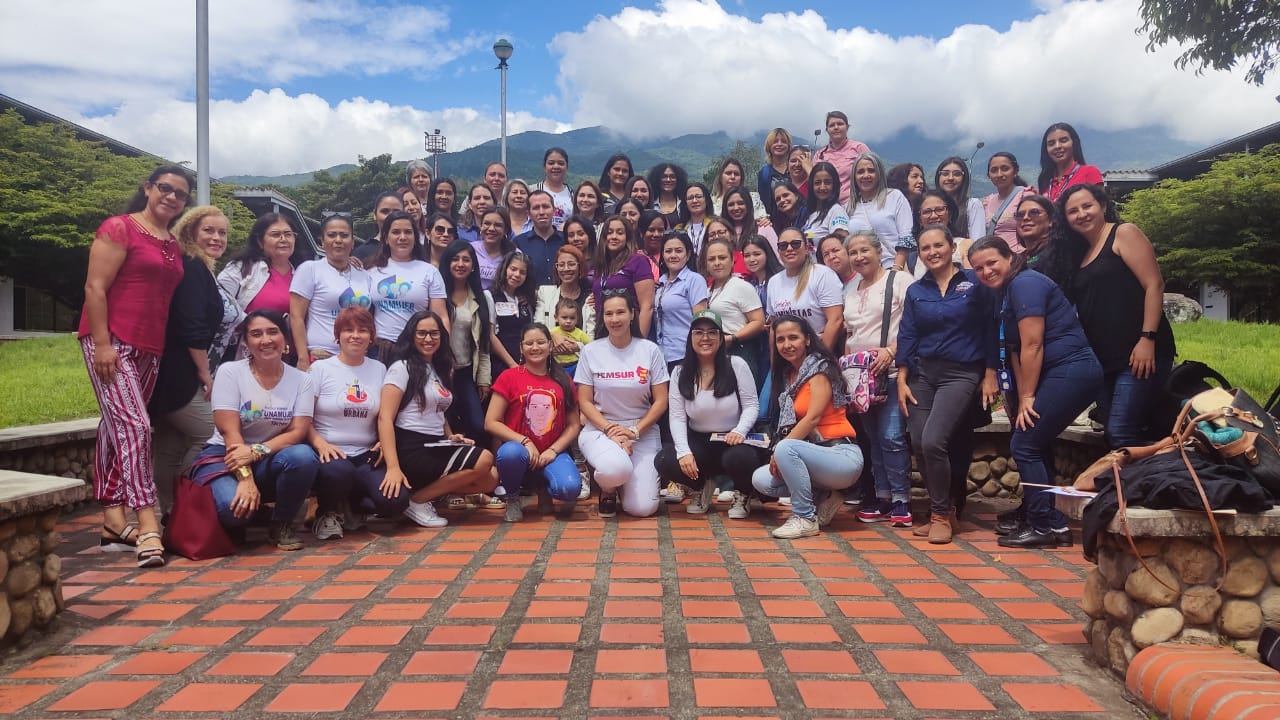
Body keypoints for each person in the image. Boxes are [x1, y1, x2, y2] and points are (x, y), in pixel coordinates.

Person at [81, 165, 191, 567]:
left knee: (116, 426)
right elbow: (95, 287)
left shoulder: (171, 243)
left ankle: (112, 519)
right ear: (148, 188)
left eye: (181, 194)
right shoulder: (119, 227)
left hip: (151, 347)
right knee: (137, 428)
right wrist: (103, 344)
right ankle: (147, 524)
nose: (172, 197)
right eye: (165, 188)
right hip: (112, 341)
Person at [968, 236, 1103, 547]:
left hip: (1073, 369)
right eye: (978, 268)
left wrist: (1029, 396)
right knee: (1034, 439)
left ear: (1009, 257)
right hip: (1053, 372)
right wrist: (1016, 401)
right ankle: (1045, 519)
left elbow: (1033, 344)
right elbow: (1014, 350)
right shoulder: (1005, 291)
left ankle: (1044, 525)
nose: (986, 271)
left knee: (1025, 442)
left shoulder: (1025, 284)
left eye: (992, 263)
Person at [1043, 183, 1175, 448]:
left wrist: (1147, 338)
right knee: (1118, 429)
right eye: (1072, 211)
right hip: (1104, 358)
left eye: (1087, 206)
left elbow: (1154, 285)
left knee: (1121, 430)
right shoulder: (1079, 253)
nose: (1081, 214)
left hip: (1139, 352)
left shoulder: (1123, 233)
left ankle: (1135, 488)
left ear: (1102, 206)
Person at [896, 225, 999, 545]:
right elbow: (908, 334)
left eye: (938, 245)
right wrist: (901, 377)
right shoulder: (916, 290)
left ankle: (940, 514)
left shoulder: (974, 283)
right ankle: (946, 510)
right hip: (922, 374)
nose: (932, 252)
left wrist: (990, 373)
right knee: (917, 442)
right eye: (925, 248)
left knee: (933, 441)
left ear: (952, 246)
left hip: (961, 373)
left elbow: (991, 328)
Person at [190, 310, 323, 551]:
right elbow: (230, 432)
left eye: (273, 332)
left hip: (267, 457)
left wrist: (256, 451)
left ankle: (281, 524)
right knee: (234, 512)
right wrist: (246, 478)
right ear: (246, 342)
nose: (266, 340)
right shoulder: (230, 372)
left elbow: (297, 431)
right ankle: (245, 512)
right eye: (256, 334)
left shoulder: (301, 380)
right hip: (225, 457)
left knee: (303, 456)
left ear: (285, 339)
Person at [377, 310, 497, 528]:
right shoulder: (401, 368)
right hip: (411, 447)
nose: (428, 339)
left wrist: (451, 437)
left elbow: (438, 412)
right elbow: (385, 418)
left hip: (434, 443)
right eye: (421, 333)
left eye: (434, 333)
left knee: (490, 479)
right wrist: (392, 466)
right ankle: (417, 501)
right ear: (411, 336)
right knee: (484, 459)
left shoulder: (439, 369)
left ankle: (426, 495)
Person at [149, 206, 231, 515]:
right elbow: (192, 325)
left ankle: (172, 514)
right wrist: (204, 371)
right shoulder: (193, 266)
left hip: (168, 370)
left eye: (222, 232)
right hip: (179, 373)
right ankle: (186, 500)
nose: (216, 237)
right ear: (190, 231)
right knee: (211, 431)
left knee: (170, 445)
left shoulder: (196, 266)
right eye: (208, 230)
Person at [752, 315, 862, 538]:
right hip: (814, 456)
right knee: (761, 480)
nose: (787, 345)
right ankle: (826, 497)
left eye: (793, 338)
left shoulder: (820, 370)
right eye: (780, 340)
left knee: (785, 449)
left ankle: (804, 517)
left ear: (808, 340)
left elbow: (812, 418)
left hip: (841, 455)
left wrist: (778, 451)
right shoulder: (789, 376)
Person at [656, 310, 767, 518]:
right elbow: (678, 416)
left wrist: (740, 430)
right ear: (690, 338)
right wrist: (683, 452)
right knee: (666, 460)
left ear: (720, 337)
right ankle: (700, 486)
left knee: (741, 458)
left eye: (711, 332)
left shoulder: (736, 365)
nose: (705, 338)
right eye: (698, 332)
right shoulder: (680, 372)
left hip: (733, 438)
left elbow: (751, 404)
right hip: (699, 439)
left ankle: (742, 493)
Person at [574, 291, 670, 518]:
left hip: (641, 432)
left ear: (631, 315)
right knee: (615, 469)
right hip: (600, 429)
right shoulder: (591, 351)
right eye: (608, 313)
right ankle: (608, 489)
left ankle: (623, 483)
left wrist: (635, 431)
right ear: (602, 318)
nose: (614, 319)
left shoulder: (649, 350)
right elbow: (584, 402)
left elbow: (661, 400)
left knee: (642, 508)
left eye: (620, 312)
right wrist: (610, 430)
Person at [843, 232, 914, 527]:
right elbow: (850, 333)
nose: (859, 257)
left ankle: (901, 499)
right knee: (872, 438)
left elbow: (913, 324)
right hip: (860, 377)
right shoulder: (850, 287)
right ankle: (883, 496)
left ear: (878, 250)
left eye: (864, 250)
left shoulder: (899, 281)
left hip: (891, 371)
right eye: (854, 252)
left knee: (892, 436)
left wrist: (892, 351)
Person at [485, 324, 584, 522]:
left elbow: (574, 425)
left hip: (551, 452)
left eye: (540, 342)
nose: (535, 347)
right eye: (529, 343)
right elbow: (491, 422)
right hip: (520, 451)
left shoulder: (562, 378)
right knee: (510, 454)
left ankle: (544, 489)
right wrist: (524, 441)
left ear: (550, 346)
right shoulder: (509, 377)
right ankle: (512, 497)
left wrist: (554, 450)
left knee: (570, 488)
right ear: (521, 348)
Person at [307, 307, 390, 539]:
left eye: (362, 330)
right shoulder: (320, 369)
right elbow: (303, 417)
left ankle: (351, 506)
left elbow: (384, 415)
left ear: (371, 336)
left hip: (366, 454)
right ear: (337, 336)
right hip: (330, 452)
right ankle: (326, 512)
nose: (355, 335)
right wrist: (319, 443)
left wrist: (384, 441)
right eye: (348, 330)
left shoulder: (379, 369)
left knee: (393, 501)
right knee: (339, 473)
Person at [289, 214, 374, 371]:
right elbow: (296, 316)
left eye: (344, 235)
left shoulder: (364, 275)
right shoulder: (310, 270)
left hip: (357, 356)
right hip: (322, 355)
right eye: (331, 235)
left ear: (353, 242)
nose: (338, 240)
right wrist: (302, 358)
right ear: (322, 241)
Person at [367, 210, 448, 351]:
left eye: (408, 232)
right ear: (386, 238)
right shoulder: (371, 271)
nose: (402, 237)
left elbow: (440, 317)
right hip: (379, 350)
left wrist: (444, 353)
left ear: (415, 237)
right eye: (396, 232)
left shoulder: (430, 272)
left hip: (417, 349)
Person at [440, 241, 496, 440]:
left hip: (465, 371)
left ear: (473, 265)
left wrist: (483, 379)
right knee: (444, 424)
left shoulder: (482, 298)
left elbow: (484, 344)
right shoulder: (437, 294)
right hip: (439, 371)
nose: (460, 264)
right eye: (455, 259)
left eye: (466, 259)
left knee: (477, 425)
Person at [767, 228, 844, 352]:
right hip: (787, 355)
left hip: (819, 352)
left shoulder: (822, 274)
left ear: (807, 248)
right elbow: (774, 327)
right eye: (783, 245)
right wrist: (774, 364)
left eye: (795, 244)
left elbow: (835, 320)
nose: (789, 249)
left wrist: (820, 358)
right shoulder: (773, 282)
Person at [704, 236, 767, 381]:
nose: (717, 263)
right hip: (718, 352)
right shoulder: (708, 290)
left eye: (722, 258)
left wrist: (732, 338)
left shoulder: (741, 286)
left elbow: (758, 322)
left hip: (741, 350)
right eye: (712, 259)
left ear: (732, 260)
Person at [218, 212, 299, 325]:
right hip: (247, 340)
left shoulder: (303, 273)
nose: (283, 239)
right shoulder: (241, 268)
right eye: (275, 234)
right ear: (260, 241)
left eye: (288, 234)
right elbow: (220, 305)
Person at [592, 215, 657, 338]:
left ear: (627, 237)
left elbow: (647, 307)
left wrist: (640, 342)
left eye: (620, 233)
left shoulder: (638, 261)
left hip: (631, 334)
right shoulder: (602, 265)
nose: (614, 237)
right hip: (604, 334)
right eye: (609, 233)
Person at [847, 152, 914, 271]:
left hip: (893, 267)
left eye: (871, 171)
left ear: (879, 174)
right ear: (854, 176)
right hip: (861, 274)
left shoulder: (894, 197)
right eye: (860, 172)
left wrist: (896, 270)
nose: (866, 175)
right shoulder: (848, 207)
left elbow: (906, 237)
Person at [655, 230, 710, 368]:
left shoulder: (694, 280)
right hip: (661, 355)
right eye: (668, 251)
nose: (673, 255)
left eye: (678, 251)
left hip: (685, 354)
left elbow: (701, 319)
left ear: (688, 254)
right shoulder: (659, 283)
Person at [489, 251, 536, 377]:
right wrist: (512, 365)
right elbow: (490, 335)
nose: (517, 275)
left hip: (525, 365)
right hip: (500, 365)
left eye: (522, 272)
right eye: (513, 269)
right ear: (505, 269)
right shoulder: (490, 296)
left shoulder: (525, 300)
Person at [1037, 122, 1104, 202]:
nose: (1057, 146)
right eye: (1051, 144)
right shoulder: (1045, 180)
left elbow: (1101, 207)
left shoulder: (1089, 172)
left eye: (1063, 140)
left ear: (1074, 143)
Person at [814, 110, 871, 203]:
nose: (836, 127)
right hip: (828, 205)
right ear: (827, 130)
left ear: (847, 127)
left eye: (840, 124)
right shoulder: (820, 154)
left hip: (856, 203)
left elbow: (873, 174)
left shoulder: (859, 148)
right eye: (832, 125)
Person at [537, 244, 595, 336]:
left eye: (571, 264)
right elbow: (538, 326)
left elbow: (591, 336)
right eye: (561, 265)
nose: (566, 269)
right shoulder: (545, 292)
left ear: (580, 267)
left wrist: (577, 346)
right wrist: (554, 339)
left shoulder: (590, 298)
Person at [514, 190, 566, 287]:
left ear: (554, 210)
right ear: (528, 213)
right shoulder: (519, 243)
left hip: (563, 299)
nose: (541, 212)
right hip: (531, 300)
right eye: (536, 208)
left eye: (546, 207)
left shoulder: (566, 240)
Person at [935, 157, 986, 241]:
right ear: (938, 177)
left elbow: (978, 242)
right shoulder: (932, 207)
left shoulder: (972, 204)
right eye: (945, 174)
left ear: (964, 178)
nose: (950, 178)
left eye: (957, 174)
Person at [802, 162, 850, 246]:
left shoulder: (836, 211)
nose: (822, 187)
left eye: (827, 182)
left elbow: (841, 246)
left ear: (834, 185)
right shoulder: (811, 214)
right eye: (817, 183)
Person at [916, 190, 970, 264]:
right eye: (927, 212)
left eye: (939, 210)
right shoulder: (912, 258)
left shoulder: (966, 246)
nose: (933, 216)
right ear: (919, 220)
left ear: (950, 214)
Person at [471, 206, 516, 290]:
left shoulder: (515, 254)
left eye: (498, 225)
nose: (491, 229)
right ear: (480, 226)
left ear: (505, 230)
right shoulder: (470, 249)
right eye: (487, 223)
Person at [354, 191, 403, 263]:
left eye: (396, 212)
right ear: (375, 215)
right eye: (385, 211)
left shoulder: (414, 250)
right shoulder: (361, 253)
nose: (390, 216)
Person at [1011, 194, 1058, 269]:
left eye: (1034, 212)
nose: (1025, 218)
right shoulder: (1018, 259)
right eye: (1020, 214)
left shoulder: (1058, 253)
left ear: (1050, 220)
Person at [757, 127, 794, 218]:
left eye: (783, 141)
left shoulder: (795, 168)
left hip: (799, 219)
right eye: (775, 141)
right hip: (775, 221)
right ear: (769, 146)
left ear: (789, 145)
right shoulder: (764, 173)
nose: (779, 144)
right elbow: (764, 201)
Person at [531, 147, 572, 229]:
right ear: (544, 166)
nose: (556, 166)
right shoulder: (532, 190)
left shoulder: (573, 195)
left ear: (566, 167)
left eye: (561, 163)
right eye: (551, 163)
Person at [550, 298, 592, 375]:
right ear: (556, 317)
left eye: (572, 318)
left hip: (576, 365)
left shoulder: (580, 333)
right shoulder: (552, 332)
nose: (568, 321)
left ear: (577, 319)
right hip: (557, 366)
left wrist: (578, 346)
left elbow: (591, 345)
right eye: (564, 317)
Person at [677, 182, 714, 254]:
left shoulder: (716, 225)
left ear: (706, 200)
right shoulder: (679, 229)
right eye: (690, 198)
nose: (694, 201)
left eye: (698, 196)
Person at [648, 162, 688, 227]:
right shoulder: (650, 204)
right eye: (664, 176)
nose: (668, 180)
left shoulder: (684, 203)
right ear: (657, 179)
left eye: (672, 177)